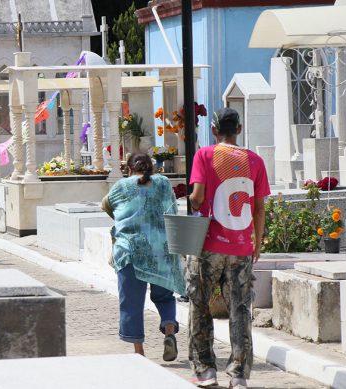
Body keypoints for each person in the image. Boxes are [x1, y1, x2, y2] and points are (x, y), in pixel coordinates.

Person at [187, 108, 270, 389]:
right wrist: (257, 242)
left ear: (214, 130)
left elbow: (197, 199)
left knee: (200, 304)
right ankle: (238, 374)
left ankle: (205, 369)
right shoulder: (255, 161)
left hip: (208, 245)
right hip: (241, 248)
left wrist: (193, 200)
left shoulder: (205, 155)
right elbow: (259, 209)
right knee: (240, 309)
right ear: (240, 128)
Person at [102, 153, 185, 360]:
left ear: (129, 169)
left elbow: (106, 205)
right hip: (161, 250)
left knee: (131, 302)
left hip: (131, 251)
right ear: (152, 168)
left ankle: (139, 352)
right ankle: (169, 331)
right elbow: (172, 210)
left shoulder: (122, 186)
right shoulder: (163, 183)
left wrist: (124, 218)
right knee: (165, 297)